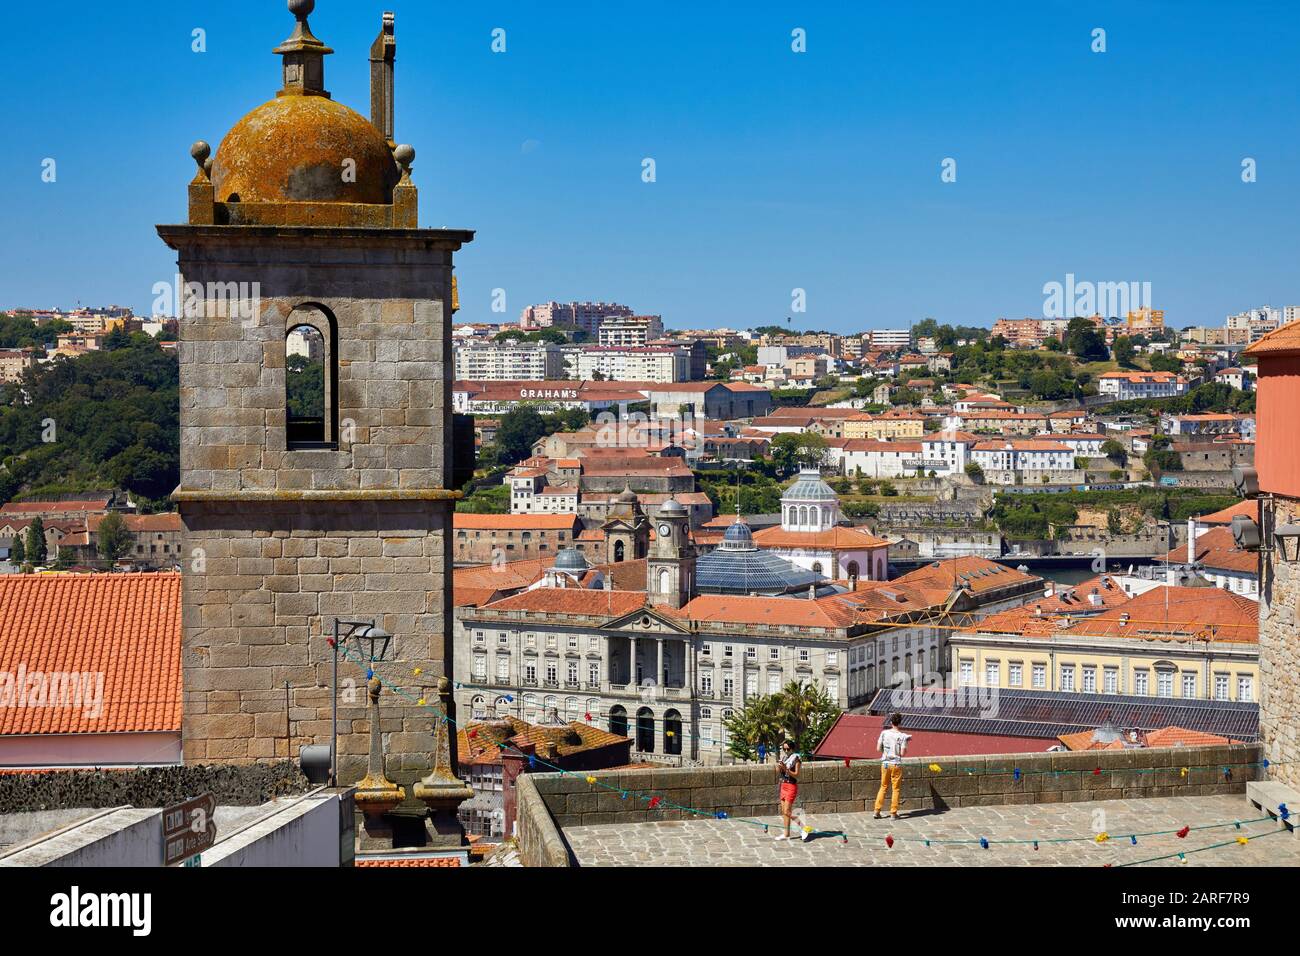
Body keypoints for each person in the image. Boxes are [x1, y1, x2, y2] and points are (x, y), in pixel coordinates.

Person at [874, 713, 911, 819]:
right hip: (896, 764)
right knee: (896, 789)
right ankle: (893, 813)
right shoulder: (903, 736)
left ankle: (877, 811)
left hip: (885, 763)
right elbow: (902, 753)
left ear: (891, 722)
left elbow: (878, 749)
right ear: (900, 723)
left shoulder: (884, 733)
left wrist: (886, 752)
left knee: (883, 787)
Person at [774, 739, 808, 841]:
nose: (785, 751)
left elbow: (797, 775)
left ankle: (803, 828)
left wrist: (786, 770)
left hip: (791, 786)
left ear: (792, 749)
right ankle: (786, 833)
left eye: (787, 749)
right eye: (784, 749)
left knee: (787, 811)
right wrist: (780, 767)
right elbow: (778, 771)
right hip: (783, 785)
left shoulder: (796, 759)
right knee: (784, 812)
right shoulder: (784, 758)